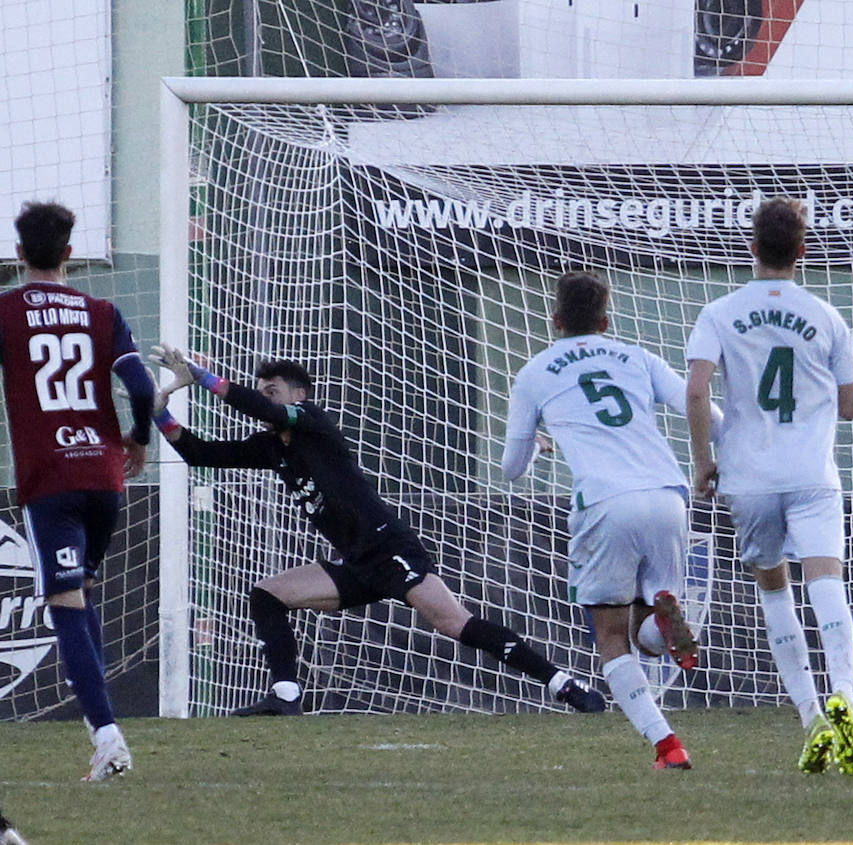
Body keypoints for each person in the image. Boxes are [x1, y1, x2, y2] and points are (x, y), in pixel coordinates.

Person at [150, 349, 605, 716]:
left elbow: (260, 406)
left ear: (299, 395)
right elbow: (199, 453)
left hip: (389, 549)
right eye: (264, 390)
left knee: (453, 623)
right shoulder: (271, 446)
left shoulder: (312, 421)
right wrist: (159, 413)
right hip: (356, 562)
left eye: (275, 391)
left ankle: (563, 684)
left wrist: (204, 378)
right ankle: (286, 696)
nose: (267, 399)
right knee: (267, 595)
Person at [502, 271, 719, 769]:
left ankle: (667, 745)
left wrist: (536, 445)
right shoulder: (636, 356)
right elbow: (704, 405)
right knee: (646, 622)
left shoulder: (535, 371)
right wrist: (721, 455)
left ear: (555, 320)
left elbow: (510, 470)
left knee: (610, 636)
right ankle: (664, 619)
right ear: (606, 320)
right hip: (668, 496)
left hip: (605, 503)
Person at [685, 196, 853, 776]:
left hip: (750, 478)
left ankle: (811, 715)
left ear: (753, 247)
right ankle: (845, 695)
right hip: (811, 473)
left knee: (773, 589)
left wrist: (702, 460)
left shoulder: (718, 312)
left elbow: (695, 392)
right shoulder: (827, 315)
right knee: (826, 579)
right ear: (803, 250)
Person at [0, 202, 155, 781]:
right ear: (69, 253)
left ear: (18, 254)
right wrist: (137, 440)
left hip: (51, 478)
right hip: (104, 476)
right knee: (82, 593)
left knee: (64, 602)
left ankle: (110, 736)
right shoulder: (102, 310)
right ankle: (101, 730)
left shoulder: (7, 311)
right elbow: (139, 387)